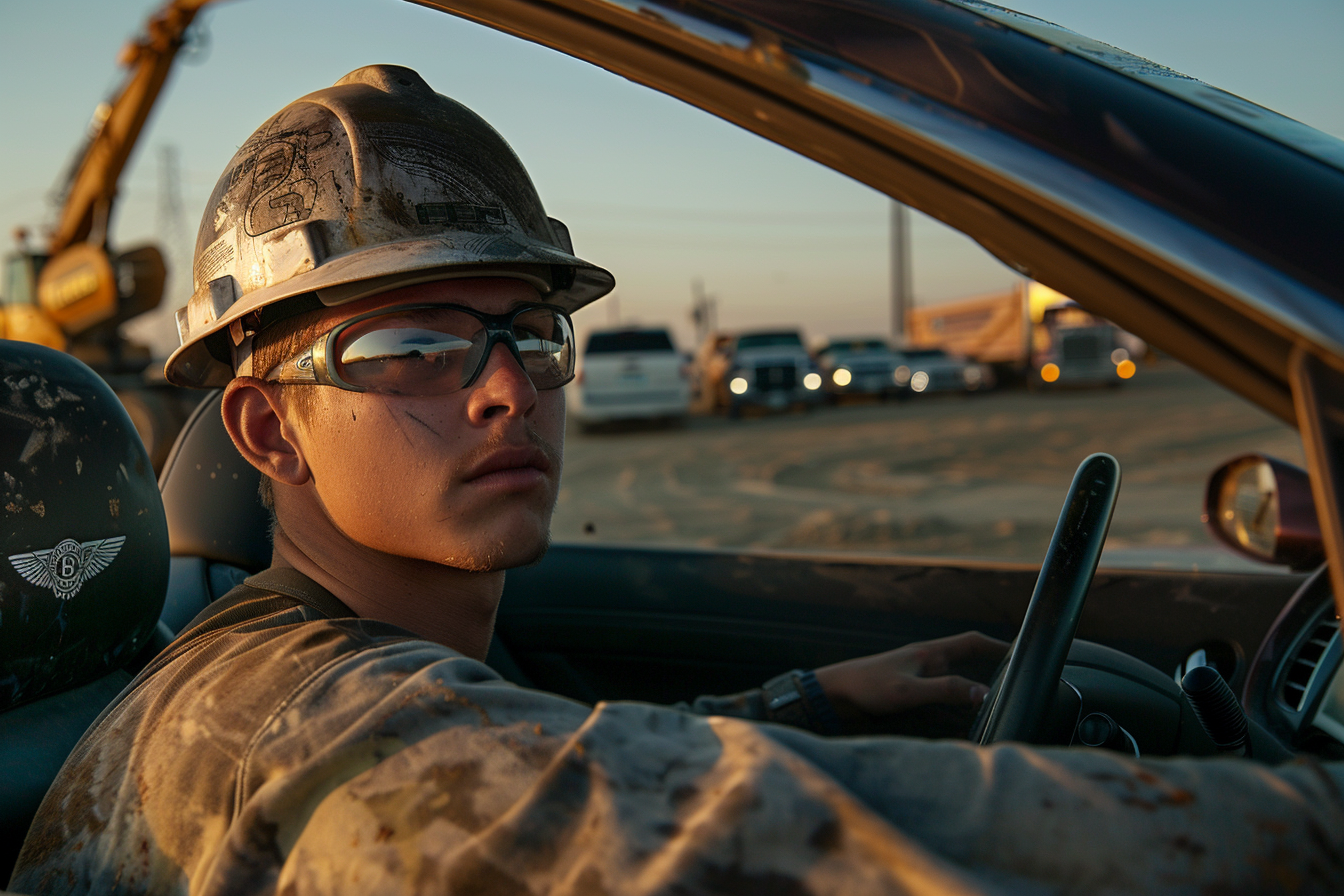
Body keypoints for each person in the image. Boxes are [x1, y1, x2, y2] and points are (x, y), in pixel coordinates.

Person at [12, 66, 1344, 896]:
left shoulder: (347, 661)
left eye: (530, 335)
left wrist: (808, 698)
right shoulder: (286, 724)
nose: (502, 386)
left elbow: (541, 765)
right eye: (410, 344)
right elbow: (676, 837)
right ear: (264, 431)